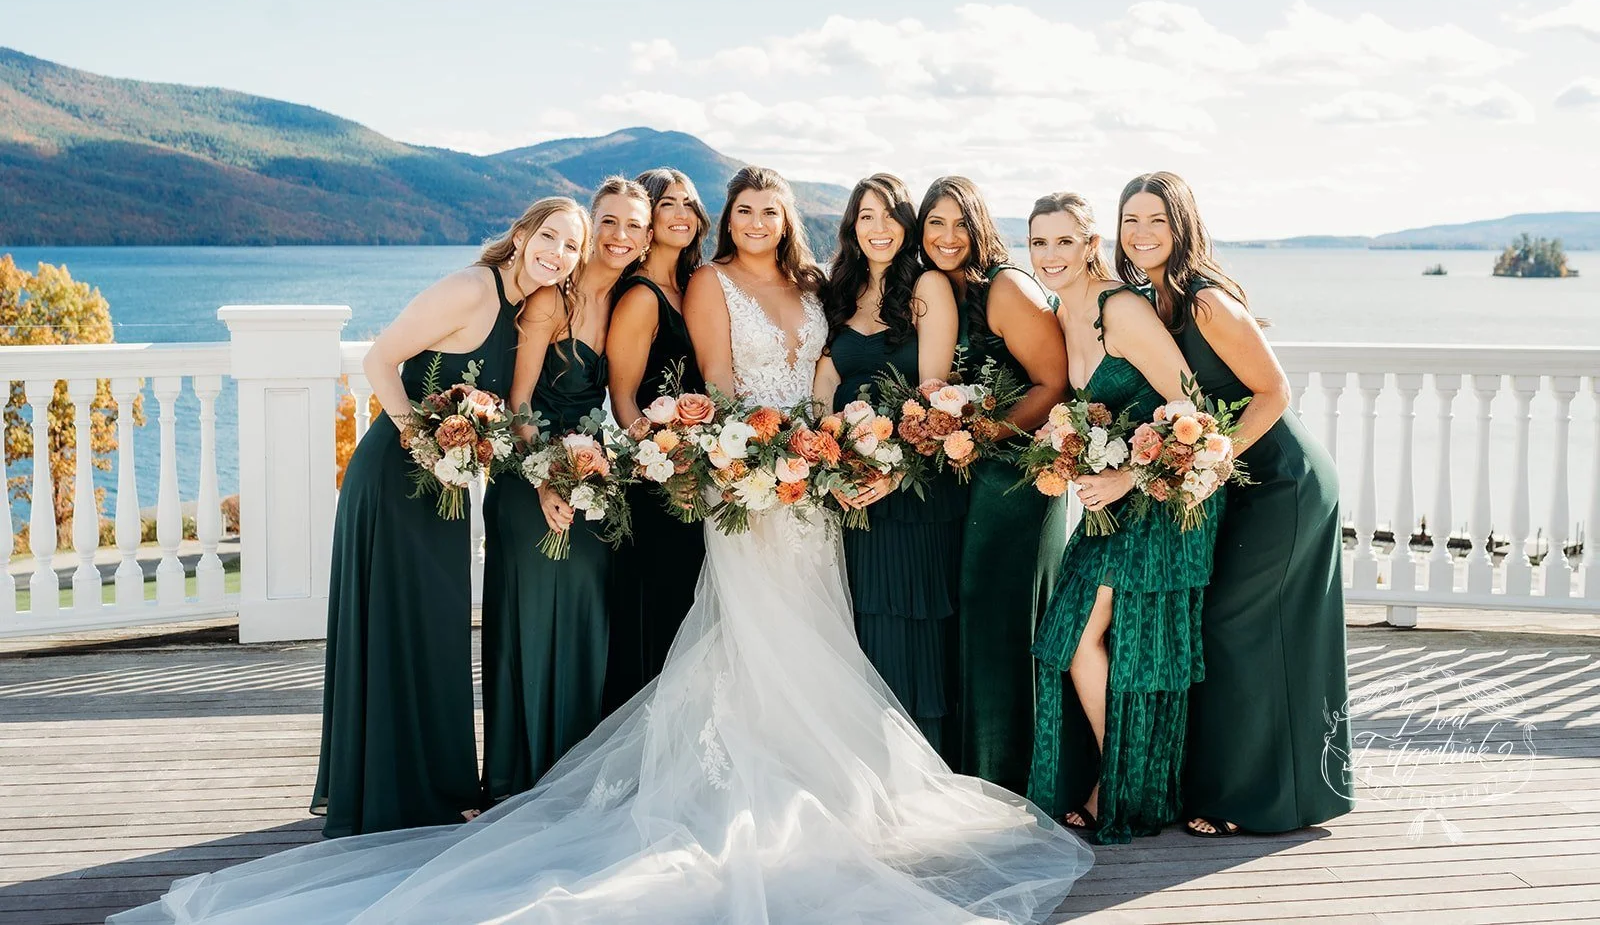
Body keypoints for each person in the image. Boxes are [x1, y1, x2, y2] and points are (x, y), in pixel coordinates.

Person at [112, 167, 1093, 925]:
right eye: (742, 208)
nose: (755, 221)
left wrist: (830, 450)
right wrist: (741, 453)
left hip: (819, 483)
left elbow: (837, 376)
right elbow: (709, 378)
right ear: (726, 219)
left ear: (792, 222)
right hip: (751, 475)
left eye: (770, 209)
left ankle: (830, 766)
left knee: (824, 625)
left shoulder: (812, 284)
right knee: (747, 632)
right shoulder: (699, 284)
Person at [312, 195, 586, 838]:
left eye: (571, 247)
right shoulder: (472, 288)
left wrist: (548, 477)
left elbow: (514, 413)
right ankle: (387, 790)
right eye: (549, 236)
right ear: (521, 234)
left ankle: (429, 784)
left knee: (432, 627)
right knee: (394, 622)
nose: (557, 253)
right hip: (395, 473)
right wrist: (420, 440)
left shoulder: (528, 312)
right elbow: (380, 359)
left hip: (448, 483)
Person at [1116, 170, 1351, 837]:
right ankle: (1290, 791)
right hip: (1241, 484)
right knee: (1247, 628)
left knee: (1233, 624)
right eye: (1130, 220)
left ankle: (1243, 798)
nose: (1141, 233)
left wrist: (1215, 459)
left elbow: (1275, 391)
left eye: (1156, 220)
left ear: (1182, 226)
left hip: (1285, 480)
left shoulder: (1206, 301)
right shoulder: (1151, 303)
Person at [1023, 192, 1218, 844]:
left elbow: (1192, 409)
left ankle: (1121, 785)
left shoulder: (1120, 308)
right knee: (1072, 638)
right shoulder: (1062, 311)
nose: (1049, 256)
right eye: (1037, 242)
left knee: (1090, 640)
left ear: (1088, 244)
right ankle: (1127, 778)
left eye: (1062, 241)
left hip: (1162, 493)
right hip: (1112, 500)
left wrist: (1127, 474)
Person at [480, 177, 648, 803]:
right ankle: (521, 777)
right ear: (590, 228)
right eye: (609, 222)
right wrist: (547, 478)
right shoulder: (552, 300)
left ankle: (573, 777)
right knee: (535, 620)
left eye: (635, 225)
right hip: (532, 478)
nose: (621, 237)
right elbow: (518, 401)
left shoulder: (626, 300)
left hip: (590, 478)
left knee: (587, 619)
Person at [919, 175, 1069, 792]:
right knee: (975, 622)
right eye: (935, 223)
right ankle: (973, 770)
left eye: (960, 223)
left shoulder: (1005, 287)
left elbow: (1052, 383)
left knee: (1001, 623)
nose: (947, 237)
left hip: (1017, 480)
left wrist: (982, 437)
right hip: (976, 478)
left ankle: (1012, 777)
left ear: (980, 226)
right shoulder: (938, 290)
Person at [814, 172, 963, 748]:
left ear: (906, 223)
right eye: (866, 215)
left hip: (912, 486)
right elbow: (823, 384)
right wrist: (821, 459)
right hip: (848, 482)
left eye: (889, 215)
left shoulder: (928, 286)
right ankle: (864, 763)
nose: (878, 228)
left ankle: (916, 762)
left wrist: (896, 467)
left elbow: (933, 391)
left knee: (909, 619)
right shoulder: (841, 291)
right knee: (860, 619)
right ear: (852, 224)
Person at [601, 168, 710, 711]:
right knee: (661, 616)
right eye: (669, 204)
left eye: (690, 204)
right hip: (655, 484)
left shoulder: (691, 286)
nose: (682, 214)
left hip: (692, 474)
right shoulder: (642, 296)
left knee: (689, 614)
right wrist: (665, 464)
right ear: (647, 221)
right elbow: (623, 399)